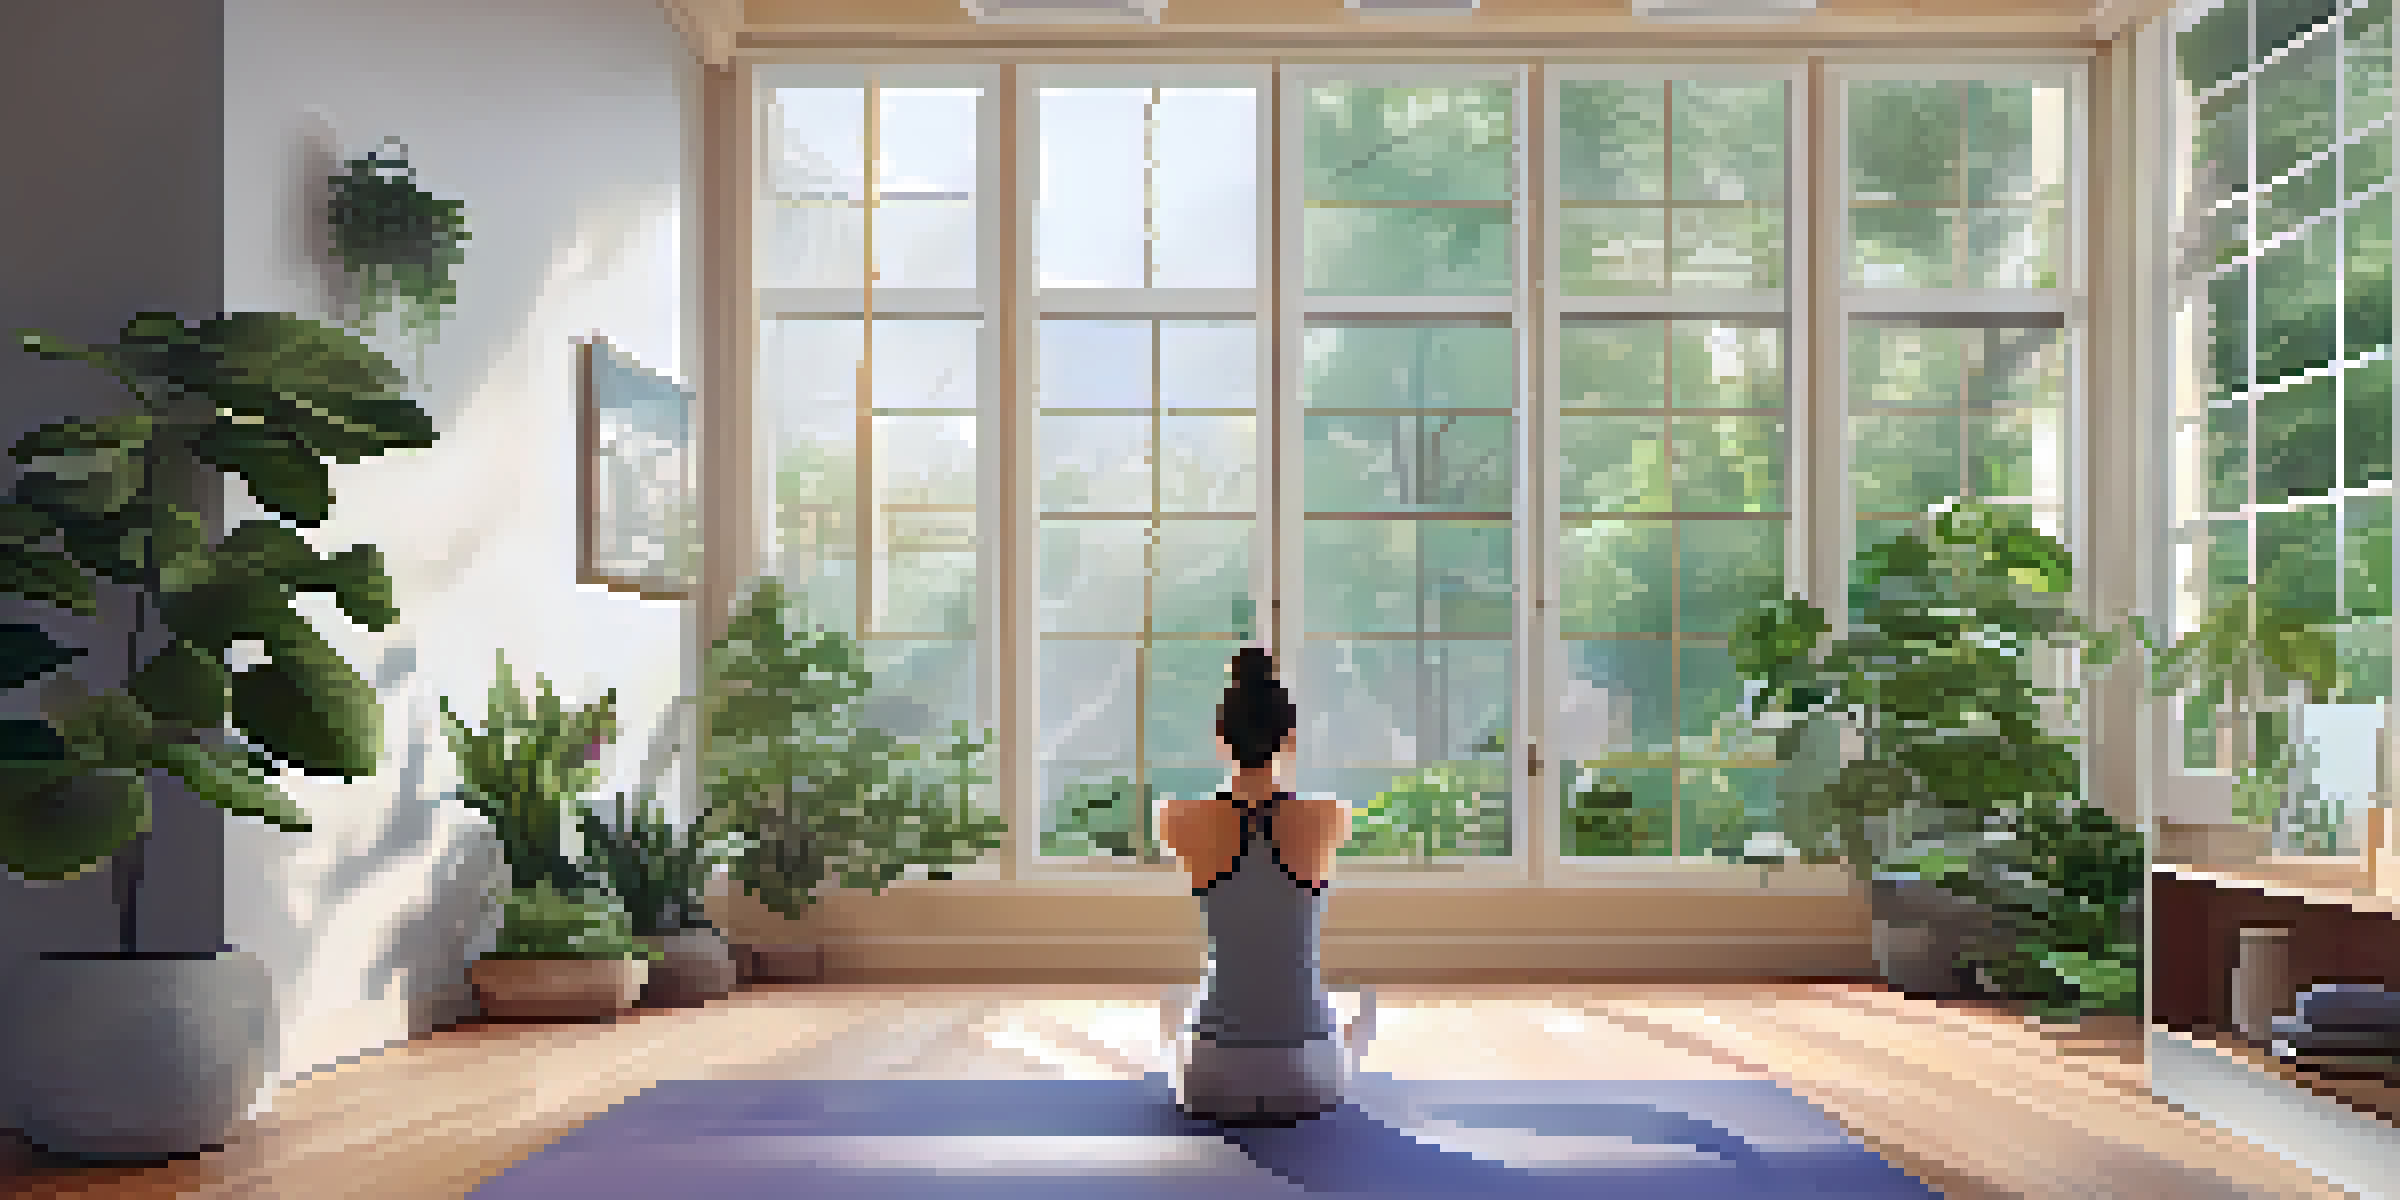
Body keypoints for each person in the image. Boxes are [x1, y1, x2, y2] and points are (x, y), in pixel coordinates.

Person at [1158, 646, 1362, 1125]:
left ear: (1220, 738)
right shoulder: (1329, 816)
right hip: (1306, 1076)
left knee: (1171, 1003)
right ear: (1288, 739)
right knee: (1360, 1003)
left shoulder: (1175, 818)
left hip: (1212, 1076)